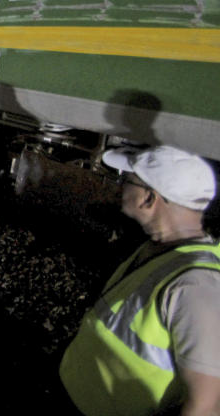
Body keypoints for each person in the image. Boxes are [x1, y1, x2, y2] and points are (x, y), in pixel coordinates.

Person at [60, 145, 220, 416]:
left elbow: (207, 405)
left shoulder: (195, 285)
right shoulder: (159, 249)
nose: (120, 185)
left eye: (127, 179)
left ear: (149, 199)